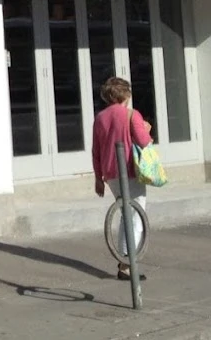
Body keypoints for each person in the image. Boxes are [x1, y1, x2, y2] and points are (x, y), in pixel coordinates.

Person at [92, 76, 153, 280]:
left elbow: (96, 150)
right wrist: (146, 129)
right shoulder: (131, 115)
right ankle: (127, 264)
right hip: (129, 170)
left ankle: (124, 260)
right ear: (125, 94)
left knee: (125, 214)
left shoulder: (100, 118)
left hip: (110, 173)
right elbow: (144, 142)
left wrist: (98, 178)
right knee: (136, 215)